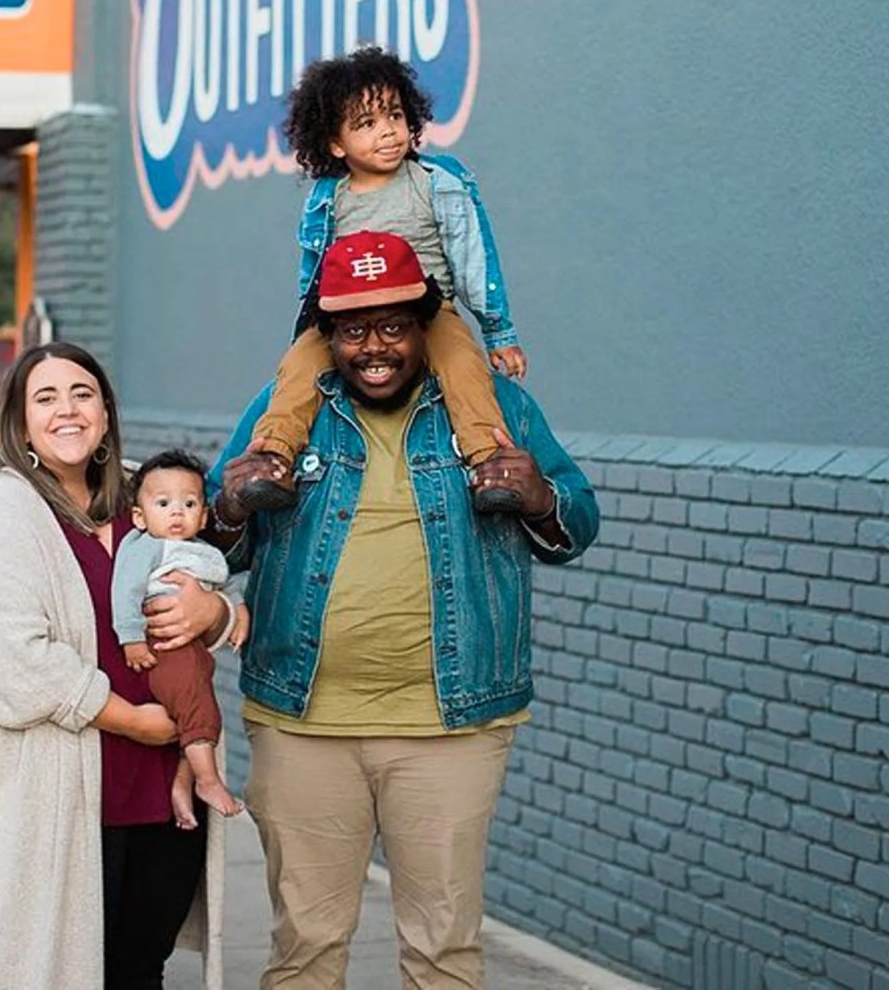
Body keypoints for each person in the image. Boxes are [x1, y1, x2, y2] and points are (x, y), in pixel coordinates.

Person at [212, 231, 600, 990]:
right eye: (353, 330)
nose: (374, 348)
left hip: (451, 726)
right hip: (302, 725)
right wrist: (225, 506)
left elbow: (575, 524)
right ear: (327, 337)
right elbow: (219, 545)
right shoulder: (286, 410)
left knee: (442, 953)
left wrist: (541, 496)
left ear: (426, 326)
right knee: (305, 949)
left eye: (393, 325)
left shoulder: (492, 406)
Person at [0, 342, 232, 990]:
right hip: (60, 792)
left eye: (81, 394)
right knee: (57, 969)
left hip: (164, 787)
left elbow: (209, 598)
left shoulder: (145, 502)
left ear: (104, 412)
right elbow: (11, 658)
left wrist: (215, 615)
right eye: (45, 398)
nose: (67, 410)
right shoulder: (2, 513)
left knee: (137, 968)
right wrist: (131, 721)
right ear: (18, 422)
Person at [228, 45, 529, 516]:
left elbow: (474, 256)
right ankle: (273, 458)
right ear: (334, 144)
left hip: (427, 310)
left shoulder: (434, 182)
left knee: (463, 366)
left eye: (394, 115)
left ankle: (489, 463)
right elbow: (316, 277)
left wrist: (498, 331)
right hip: (347, 318)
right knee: (297, 372)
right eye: (366, 124)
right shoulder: (329, 200)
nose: (388, 131)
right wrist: (310, 332)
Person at [113, 449, 252, 827]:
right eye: (163, 503)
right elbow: (124, 590)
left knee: (196, 710)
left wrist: (234, 608)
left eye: (189, 503)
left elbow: (223, 584)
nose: (177, 512)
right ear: (140, 516)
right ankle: (207, 780)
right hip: (159, 645)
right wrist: (132, 639)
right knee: (198, 709)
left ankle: (182, 781)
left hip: (191, 651)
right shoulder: (146, 546)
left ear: (203, 515)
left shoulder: (203, 551)